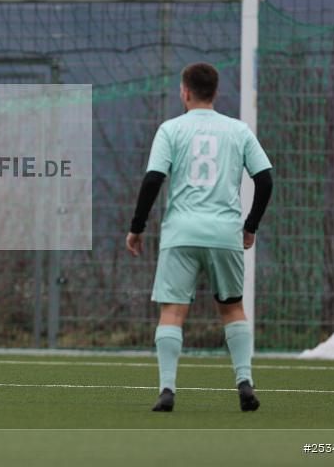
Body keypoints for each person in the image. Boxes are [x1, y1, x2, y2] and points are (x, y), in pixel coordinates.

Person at [126, 62, 273, 412]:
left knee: (173, 312)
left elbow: (153, 179)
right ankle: (244, 382)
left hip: (181, 234)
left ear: (185, 92)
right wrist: (250, 225)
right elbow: (265, 179)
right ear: (215, 92)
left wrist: (137, 227)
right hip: (224, 233)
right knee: (232, 308)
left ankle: (167, 389)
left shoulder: (170, 129)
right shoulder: (238, 130)